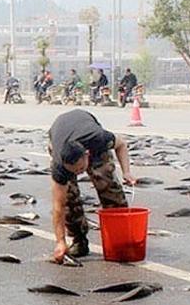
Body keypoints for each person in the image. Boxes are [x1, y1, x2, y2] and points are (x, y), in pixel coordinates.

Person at [47, 109, 136, 263]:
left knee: (106, 184)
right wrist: (60, 241)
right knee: (68, 198)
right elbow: (58, 206)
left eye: (81, 169)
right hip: (58, 134)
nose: (80, 173)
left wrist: (126, 172)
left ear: (87, 155)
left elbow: (121, 144)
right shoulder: (60, 165)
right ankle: (79, 240)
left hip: (87, 130)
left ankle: (119, 240)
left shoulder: (98, 139)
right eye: (74, 172)